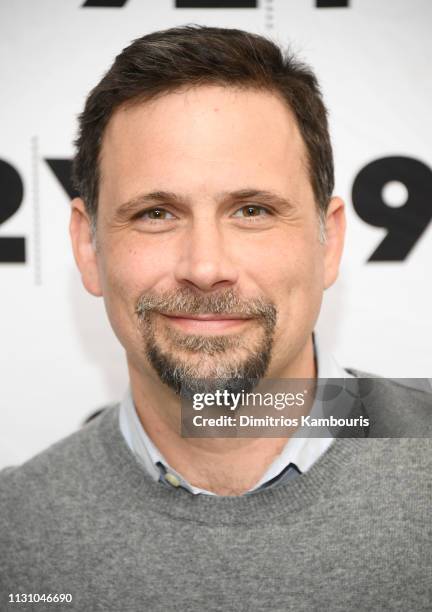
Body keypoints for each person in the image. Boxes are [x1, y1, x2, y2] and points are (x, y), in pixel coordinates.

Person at [1, 25, 431, 612]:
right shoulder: (14, 535)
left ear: (328, 242)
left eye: (252, 210)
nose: (204, 267)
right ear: (88, 247)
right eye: (156, 213)